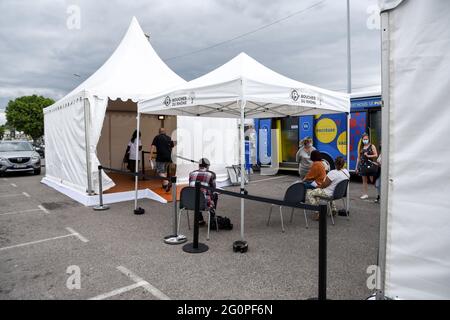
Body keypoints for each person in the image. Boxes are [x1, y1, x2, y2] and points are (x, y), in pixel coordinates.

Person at [188, 158, 218, 225]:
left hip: (190, 202)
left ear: (199, 166)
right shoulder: (211, 174)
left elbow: (190, 186)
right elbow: (213, 189)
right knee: (215, 195)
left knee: (197, 194)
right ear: (207, 166)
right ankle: (212, 219)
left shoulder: (191, 173)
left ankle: (199, 219)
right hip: (204, 202)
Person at [355, 133, 378, 199]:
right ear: (362, 140)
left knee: (372, 180)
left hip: (370, 165)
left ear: (368, 139)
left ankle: (378, 194)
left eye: (366, 139)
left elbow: (376, 154)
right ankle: (365, 194)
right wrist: (356, 167)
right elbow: (358, 158)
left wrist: (369, 156)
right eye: (364, 139)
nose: (365, 140)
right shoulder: (361, 147)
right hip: (362, 165)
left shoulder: (372, 146)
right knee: (364, 181)